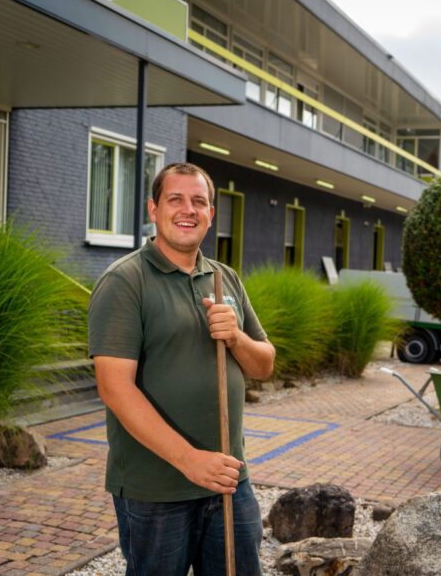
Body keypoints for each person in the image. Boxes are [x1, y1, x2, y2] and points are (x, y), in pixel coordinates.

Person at [88, 162, 275, 575]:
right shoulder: (125, 281)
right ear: (154, 209)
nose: (187, 209)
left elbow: (264, 364)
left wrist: (236, 338)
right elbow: (114, 387)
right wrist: (190, 460)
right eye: (175, 199)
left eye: (199, 201)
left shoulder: (224, 278)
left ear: (210, 215)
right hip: (156, 491)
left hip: (229, 479)